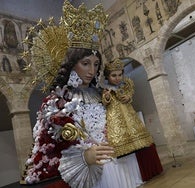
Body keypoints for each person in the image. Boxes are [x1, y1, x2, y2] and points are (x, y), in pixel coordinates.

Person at [21, 1, 142, 188]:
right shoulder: (58, 100)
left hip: (117, 162)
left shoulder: (102, 93)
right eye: (85, 63)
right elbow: (53, 145)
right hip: (88, 170)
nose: (91, 70)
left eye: (95, 64)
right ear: (72, 64)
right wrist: (86, 155)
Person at [101, 58, 163, 181]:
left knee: (136, 131)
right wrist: (107, 97)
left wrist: (128, 97)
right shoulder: (105, 89)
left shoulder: (126, 85)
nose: (117, 78)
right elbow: (104, 102)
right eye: (114, 75)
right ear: (108, 77)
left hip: (129, 114)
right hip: (115, 116)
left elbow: (130, 95)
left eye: (119, 75)